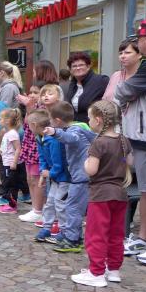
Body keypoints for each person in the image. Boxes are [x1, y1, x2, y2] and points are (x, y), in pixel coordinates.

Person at [71, 100, 132, 287]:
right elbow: (130, 162)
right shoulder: (123, 140)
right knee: (116, 234)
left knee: (96, 234)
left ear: (98, 120)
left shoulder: (99, 142)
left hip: (100, 195)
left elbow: (91, 170)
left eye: (89, 118)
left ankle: (96, 272)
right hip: (120, 194)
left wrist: (86, 162)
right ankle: (113, 270)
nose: (88, 121)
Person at [118, 19, 146, 262]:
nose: (138, 44)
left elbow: (122, 91)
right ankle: (143, 239)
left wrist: (127, 94)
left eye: (139, 39)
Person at [44, 101, 95, 253]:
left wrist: (55, 132)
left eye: (51, 120)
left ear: (58, 121)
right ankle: (75, 236)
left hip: (80, 177)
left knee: (72, 208)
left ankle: (73, 240)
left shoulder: (75, 130)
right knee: (73, 207)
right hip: (79, 176)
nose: (50, 123)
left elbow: (71, 138)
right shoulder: (79, 128)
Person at [29, 110, 71, 246]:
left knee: (60, 204)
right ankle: (47, 228)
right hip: (54, 178)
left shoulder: (53, 140)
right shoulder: (39, 138)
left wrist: (50, 174)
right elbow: (42, 158)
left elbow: (59, 163)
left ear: (34, 125)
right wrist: (43, 173)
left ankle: (64, 231)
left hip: (64, 178)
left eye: (29, 125)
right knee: (50, 203)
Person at [18, 85, 45, 223]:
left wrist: (29, 107)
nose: (32, 95)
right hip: (28, 145)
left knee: (36, 179)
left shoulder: (42, 109)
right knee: (30, 178)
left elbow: (34, 124)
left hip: (36, 147)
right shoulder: (32, 107)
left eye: (36, 92)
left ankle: (39, 210)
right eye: (31, 92)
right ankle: (35, 208)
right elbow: (26, 125)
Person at [0, 108, 27, 214]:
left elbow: (18, 148)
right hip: (7, 162)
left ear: (7, 121)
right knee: (8, 184)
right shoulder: (8, 133)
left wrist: (14, 162)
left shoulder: (12, 134)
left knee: (11, 185)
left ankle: (12, 206)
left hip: (10, 164)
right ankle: (10, 203)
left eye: (1, 119)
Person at [65, 51, 108, 124]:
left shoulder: (101, 81)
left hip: (95, 126)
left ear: (88, 66)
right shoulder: (73, 84)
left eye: (81, 65)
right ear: (70, 69)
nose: (78, 68)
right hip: (76, 126)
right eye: (74, 66)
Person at [104, 37, 140, 102]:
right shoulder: (116, 75)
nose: (122, 56)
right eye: (120, 53)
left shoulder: (145, 75)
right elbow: (105, 99)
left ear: (139, 55)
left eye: (127, 53)